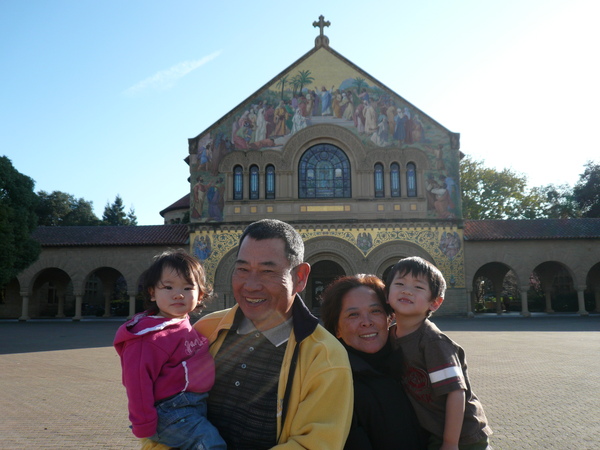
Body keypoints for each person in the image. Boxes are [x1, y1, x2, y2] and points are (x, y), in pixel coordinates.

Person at [142, 219, 353, 449]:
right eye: (242, 269)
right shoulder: (206, 330)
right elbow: (165, 409)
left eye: (267, 271)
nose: (250, 285)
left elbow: (313, 445)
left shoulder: (325, 356)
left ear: (299, 277)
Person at [114, 249, 226, 450]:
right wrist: (144, 425)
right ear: (152, 293)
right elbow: (137, 382)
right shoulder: (148, 337)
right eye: (168, 287)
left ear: (200, 295)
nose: (178, 294)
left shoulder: (182, 324)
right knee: (211, 445)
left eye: (188, 287)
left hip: (191, 407)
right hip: (170, 412)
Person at [385, 257, 492, 450]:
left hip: (463, 436)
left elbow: (456, 393)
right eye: (399, 283)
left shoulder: (432, 342)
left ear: (435, 303)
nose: (406, 290)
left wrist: (450, 443)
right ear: (387, 293)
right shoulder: (390, 335)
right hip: (434, 430)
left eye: (418, 287)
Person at [320, 274, 427, 450]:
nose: (366, 322)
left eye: (375, 311)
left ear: (389, 318)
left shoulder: (414, 363)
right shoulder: (339, 386)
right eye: (353, 314)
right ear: (337, 329)